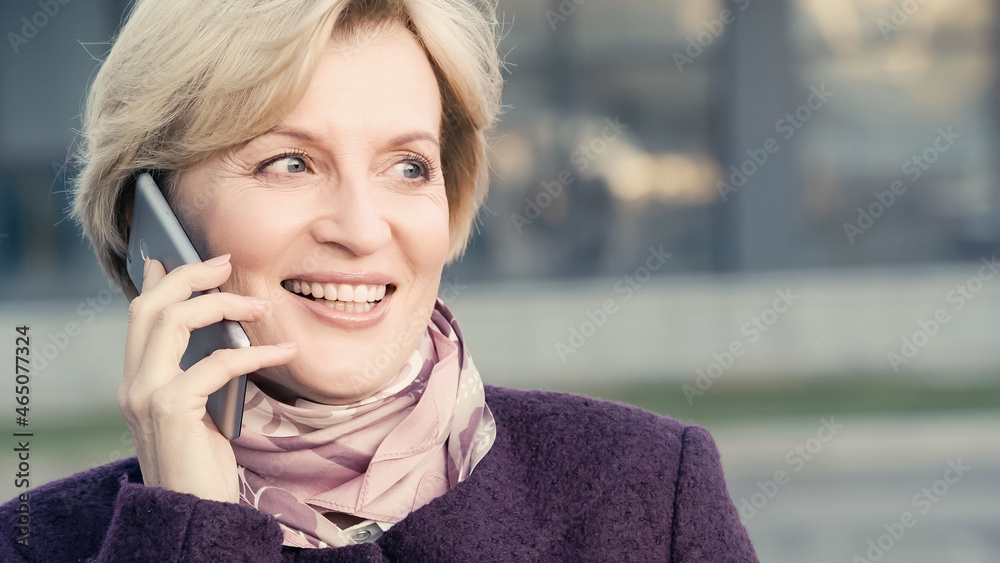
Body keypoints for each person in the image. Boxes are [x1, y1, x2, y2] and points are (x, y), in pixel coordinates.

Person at [0, 0, 758, 560]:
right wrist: (191, 528)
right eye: (289, 162)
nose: (362, 229)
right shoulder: (36, 543)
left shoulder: (649, 492)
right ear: (151, 222)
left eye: (408, 167)